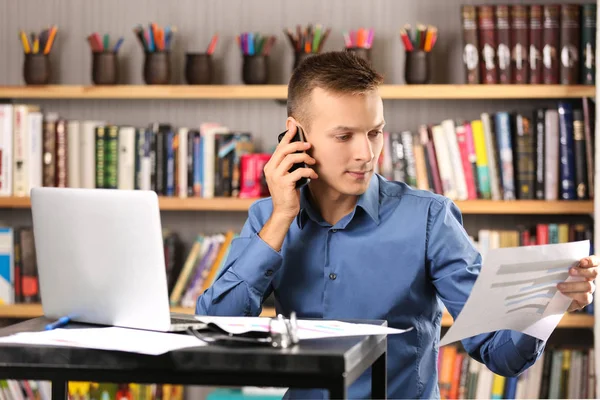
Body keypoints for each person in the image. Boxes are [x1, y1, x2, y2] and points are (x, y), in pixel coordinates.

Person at [195, 51, 598, 399]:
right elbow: (216, 332)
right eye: (344, 136)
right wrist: (283, 216)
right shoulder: (268, 219)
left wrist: (549, 306)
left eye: (374, 132)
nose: (366, 153)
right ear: (296, 135)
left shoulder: (429, 219)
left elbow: (499, 351)